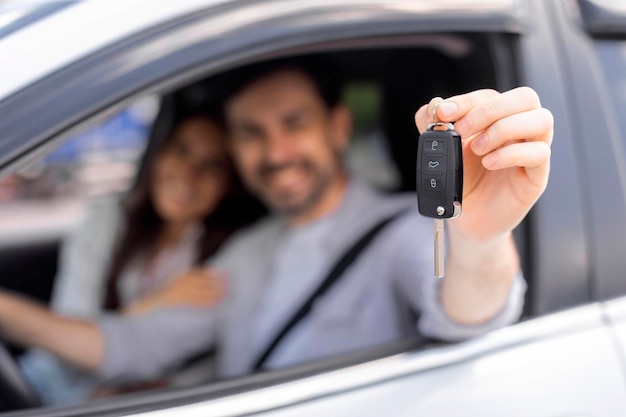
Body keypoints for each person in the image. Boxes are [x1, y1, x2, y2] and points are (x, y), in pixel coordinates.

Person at [0, 56, 553, 389]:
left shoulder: (402, 232)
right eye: (250, 132)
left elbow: (470, 316)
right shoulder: (245, 253)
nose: (276, 151)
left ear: (338, 127)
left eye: (294, 122)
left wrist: (481, 239)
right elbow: (129, 346)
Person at [0, 113, 259, 404]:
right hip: (41, 385)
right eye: (181, 149)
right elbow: (68, 342)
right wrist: (153, 303)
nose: (189, 173)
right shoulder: (107, 219)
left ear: (229, 184)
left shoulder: (226, 260)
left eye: (212, 165)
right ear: (159, 152)